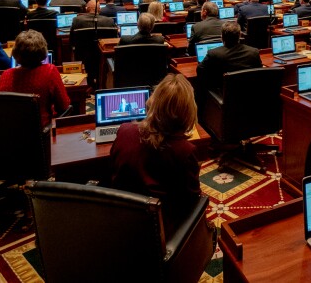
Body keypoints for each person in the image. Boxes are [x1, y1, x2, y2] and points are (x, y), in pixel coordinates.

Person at [109, 74, 202, 229]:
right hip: (160, 230)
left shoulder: (124, 131)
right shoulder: (184, 151)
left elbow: (112, 170)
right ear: (187, 111)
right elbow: (191, 202)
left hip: (119, 220)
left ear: (153, 102)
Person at [0, 30, 70, 127]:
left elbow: (0, 109)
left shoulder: (6, 74)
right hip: (41, 133)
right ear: (43, 51)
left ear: (16, 52)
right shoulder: (49, 71)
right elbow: (64, 105)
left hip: (11, 134)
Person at [196, 21, 262, 89]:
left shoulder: (214, 53)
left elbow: (200, 70)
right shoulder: (253, 52)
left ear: (222, 37)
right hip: (249, 91)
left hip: (225, 93)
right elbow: (260, 72)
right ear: (240, 35)